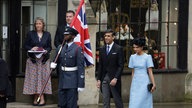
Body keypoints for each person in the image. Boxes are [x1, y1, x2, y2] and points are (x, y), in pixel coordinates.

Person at [50, 26, 85, 108]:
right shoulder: (60, 47)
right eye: (64, 34)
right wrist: (53, 65)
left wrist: (80, 84)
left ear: (73, 36)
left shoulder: (77, 49)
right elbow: (56, 60)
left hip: (72, 81)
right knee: (62, 104)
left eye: (67, 34)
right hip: (62, 80)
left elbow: (80, 67)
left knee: (71, 104)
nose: (65, 36)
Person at [23, 17, 52, 106]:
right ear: (35, 25)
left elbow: (49, 47)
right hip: (33, 61)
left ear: (43, 25)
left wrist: (46, 50)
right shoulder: (30, 34)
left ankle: (40, 98)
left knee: (42, 79)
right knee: (34, 79)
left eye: (40, 23)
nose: (38, 25)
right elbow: (25, 45)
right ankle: (37, 98)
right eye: (36, 24)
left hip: (43, 60)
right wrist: (32, 48)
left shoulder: (47, 34)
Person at [96, 29, 124, 108]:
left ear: (113, 37)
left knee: (117, 101)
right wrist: (98, 79)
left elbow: (120, 65)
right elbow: (100, 65)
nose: (106, 38)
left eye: (108, 36)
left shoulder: (118, 48)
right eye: (105, 36)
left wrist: (115, 78)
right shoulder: (102, 49)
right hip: (104, 79)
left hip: (114, 80)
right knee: (105, 101)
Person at [128, 37, 156, 108]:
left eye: (137, 47)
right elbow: (133, 72)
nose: (135, 49)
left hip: (144, 81)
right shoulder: (132, 57)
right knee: (134, 101)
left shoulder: (147, 57)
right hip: (135, 82)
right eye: (134, 47)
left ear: (142, 47)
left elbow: (150, 71)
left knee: (144, 100)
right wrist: (132, 83)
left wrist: (153, 84)